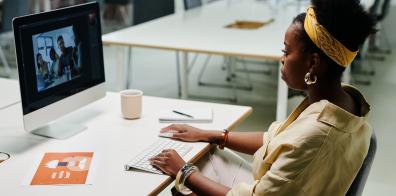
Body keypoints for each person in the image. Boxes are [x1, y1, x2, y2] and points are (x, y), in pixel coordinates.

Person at [150, 0, 376, 195]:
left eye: (286, 52)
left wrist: (185, 172)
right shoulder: (341, 100)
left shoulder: (317, 133)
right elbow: (275, 139)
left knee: (183, 183)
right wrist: (212, 135)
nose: (282, 59)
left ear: (313, 63)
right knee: (203, 156)